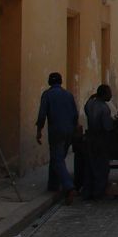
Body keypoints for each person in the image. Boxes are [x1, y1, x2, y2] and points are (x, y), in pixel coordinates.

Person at [36, 72, 79, 204]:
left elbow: (42, 114)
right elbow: (75, 114)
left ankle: (68, 186)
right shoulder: (68, 95)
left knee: (57, 158)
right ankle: (53, 184)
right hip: (69, 131)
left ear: (49, 82)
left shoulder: (47, 95)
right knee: (58, 157)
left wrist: (39, 131)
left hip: (56, 131)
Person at [83, 84, 114, 201]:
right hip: (101, 138)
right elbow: (107, 126)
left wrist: (92, 96)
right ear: (104, 94)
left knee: (90, 166)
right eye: (109, 93)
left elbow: (86, 106)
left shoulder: (90, 104)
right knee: (102, 167)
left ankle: (87, 192)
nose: (111, 95)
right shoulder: (104, 108)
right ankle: (99, 192)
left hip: (90, 137)